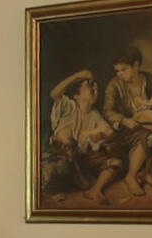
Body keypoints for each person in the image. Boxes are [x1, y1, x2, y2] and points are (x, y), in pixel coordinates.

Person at [101, 48, 152, 196]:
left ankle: (148, 172)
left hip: (151, 126)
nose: (119, 74)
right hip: (127, 130)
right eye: (117, 71)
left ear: (136, 66)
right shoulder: (114, 85)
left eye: (123, 70)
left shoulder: (150, 79)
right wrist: (124, 120)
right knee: (143, 135)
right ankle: (130, 176)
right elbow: (107, 111)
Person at [45, 69, 122, 204]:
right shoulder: (69, 106)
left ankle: (95, 190)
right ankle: (74, 175)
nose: (94, 88)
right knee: (66, 136)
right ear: (76, 95)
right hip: (65, 156)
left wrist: (98, 134)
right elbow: (54, 93)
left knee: (116, 163)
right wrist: (78, 75)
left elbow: (110, 132)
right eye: (89, 86)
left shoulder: (94, 114)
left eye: (95, 86)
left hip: (84, 158)